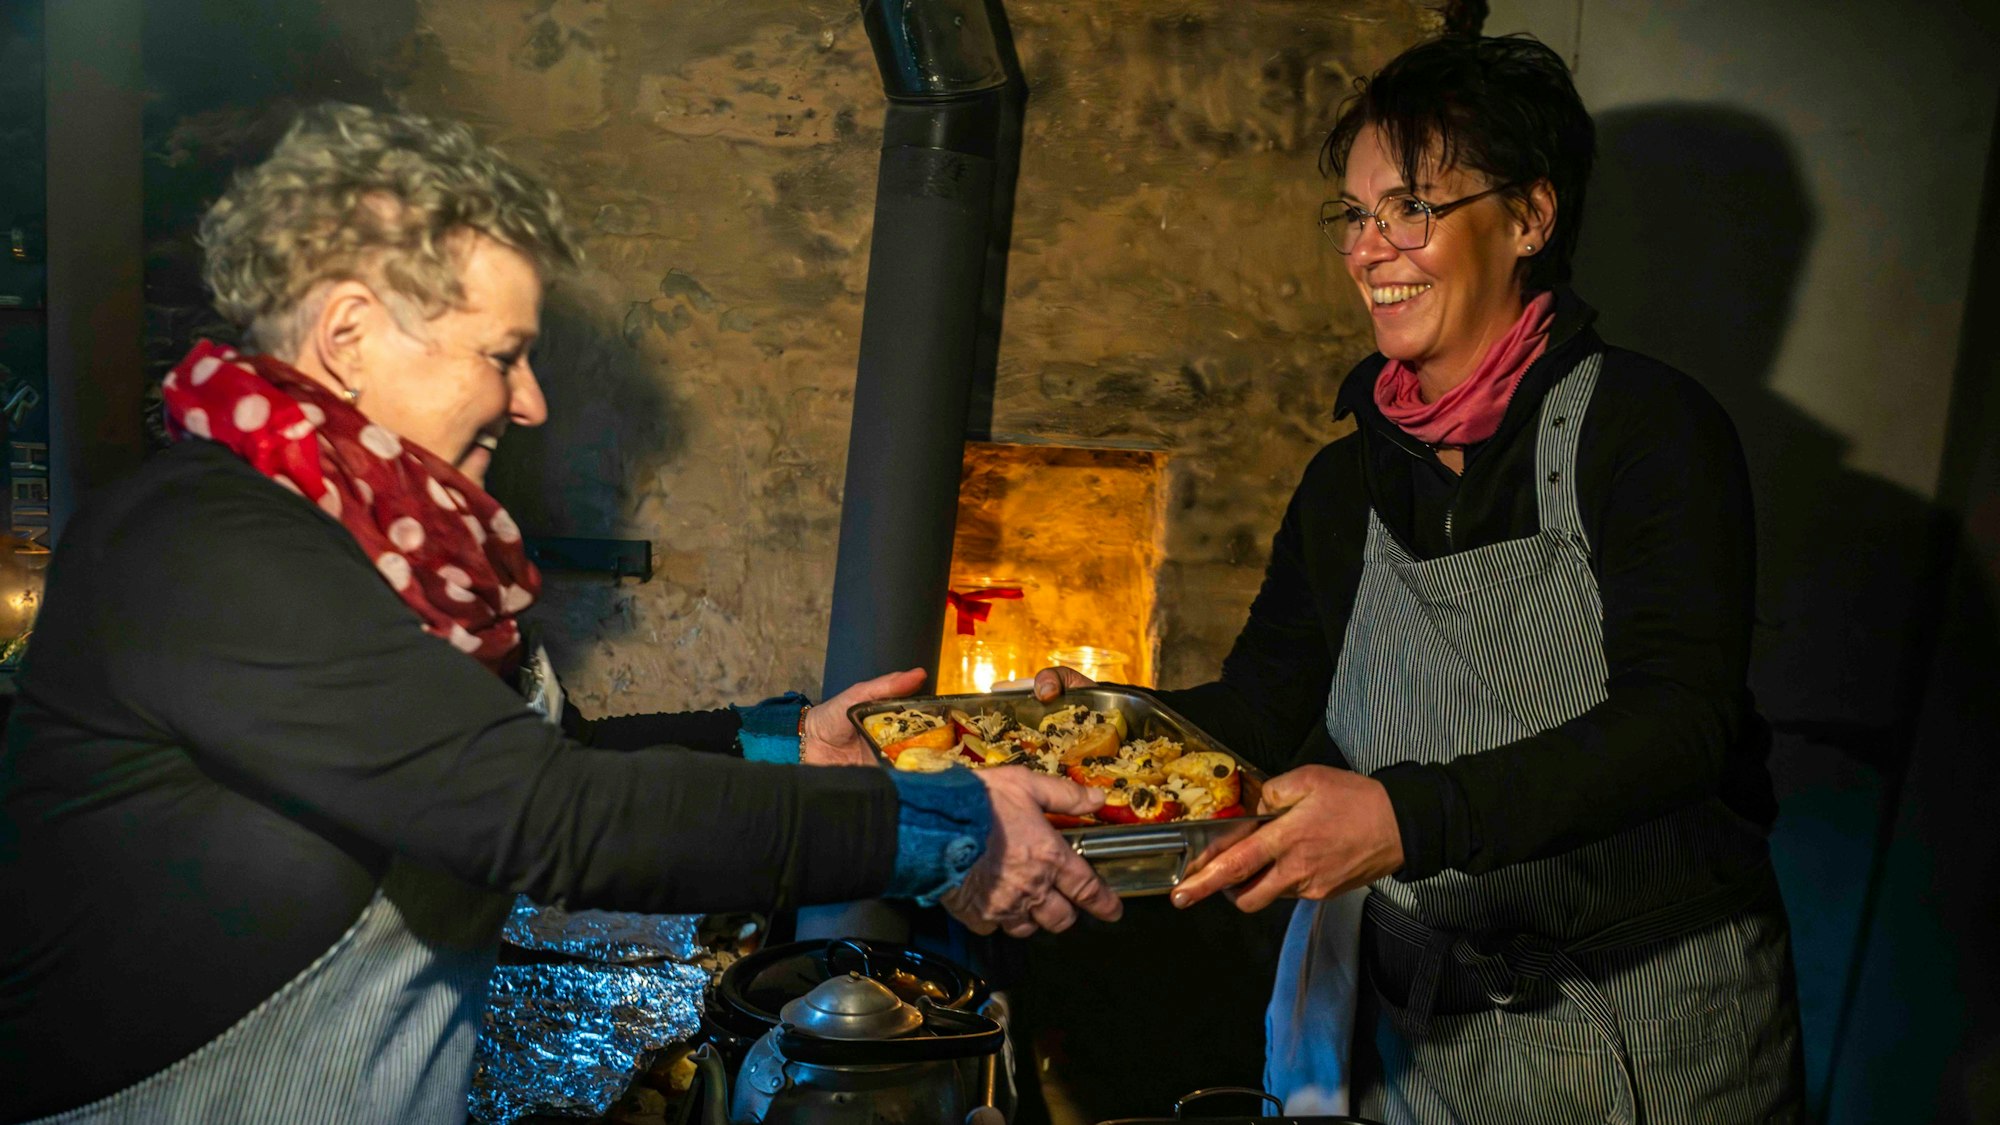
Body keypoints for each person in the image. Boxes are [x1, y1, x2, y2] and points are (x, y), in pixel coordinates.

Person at [0, 103, 1118, 1124]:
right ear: (347, 336)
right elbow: (545, 815)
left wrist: (793, 745)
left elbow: (549, 754)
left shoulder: (402, 560)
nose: (529, 402)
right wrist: (938, 828)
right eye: (504, 356)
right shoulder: (204, 545)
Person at [1034, 34, 1804, 1124]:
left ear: (1529, 219)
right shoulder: (1346, 481)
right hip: (1428, 1045)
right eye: (1354, 215)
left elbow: (1680, 722)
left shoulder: (1643, 431)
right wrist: (1105, 726)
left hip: (1650, 1031)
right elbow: (1259, 707)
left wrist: (1406, 817)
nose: (1368, 249)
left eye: (1410, 208)